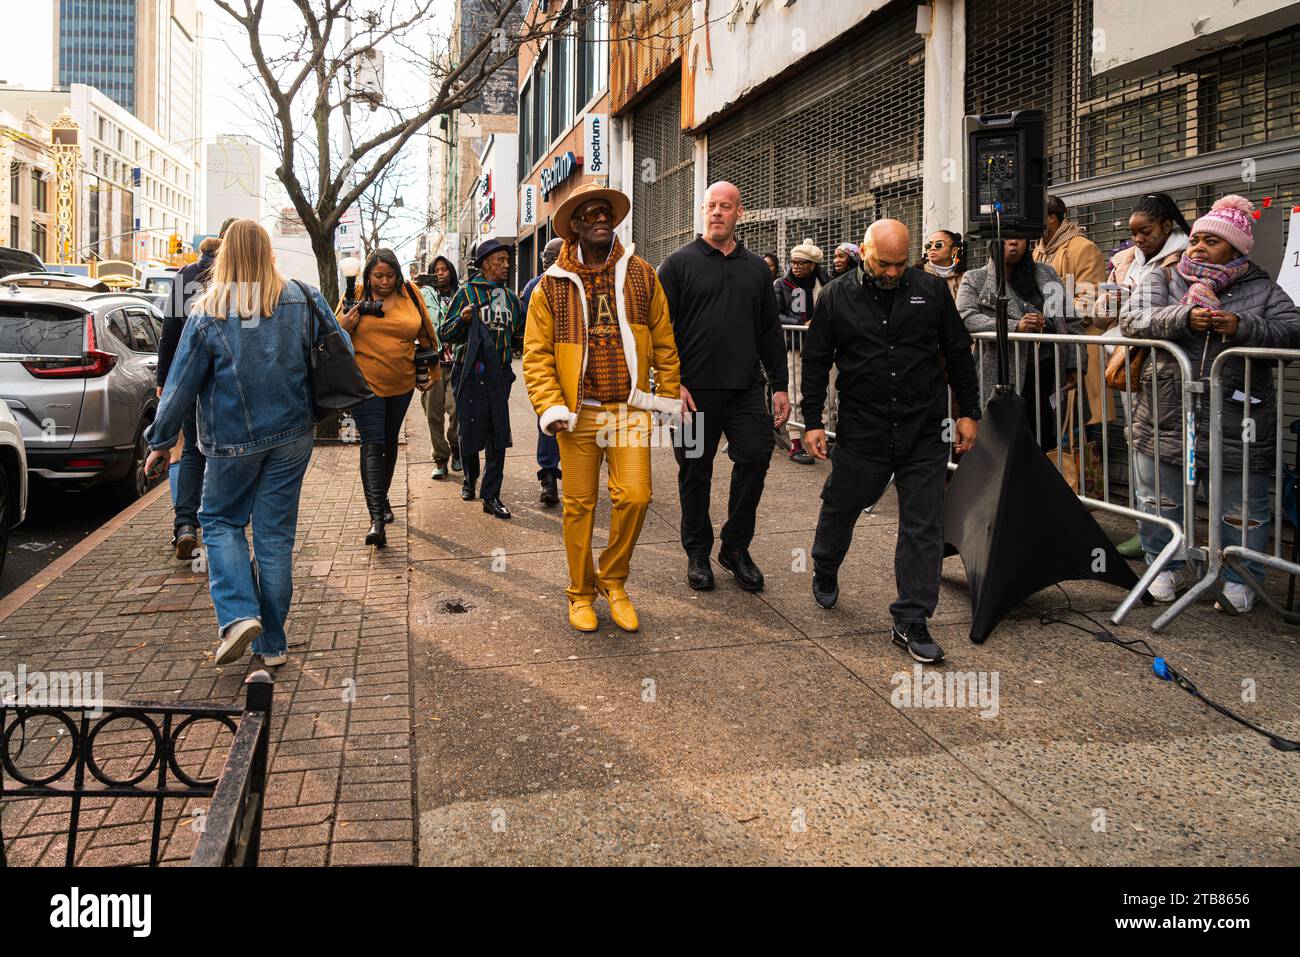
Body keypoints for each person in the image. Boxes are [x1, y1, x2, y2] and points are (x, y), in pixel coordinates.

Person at [143, 219, 347, 668]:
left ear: (226, 256)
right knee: (274, 537)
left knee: (219, 520)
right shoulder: (302, 296)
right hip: (294, 434)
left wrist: (160, 441)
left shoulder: (208, 311)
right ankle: (272, 643)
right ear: (268, 252)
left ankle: (238, 616)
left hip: (232, 441)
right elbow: (339, 345)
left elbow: (179, 386)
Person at [801, 220, 980, 665]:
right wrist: (811, 421)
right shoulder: (836, 296)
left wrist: (968, 413)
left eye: (901, 264)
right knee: (842, 506)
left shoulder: (932, 291)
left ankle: (912, 619)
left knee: (923, 524)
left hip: (924, 430)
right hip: (864, 429)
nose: (893, 272)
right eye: (884, 263)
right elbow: (816, 361)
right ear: (864, 251)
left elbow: (957, 351)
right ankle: (824, 564)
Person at [1120, 194, 1300, 612]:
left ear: (1235, 249)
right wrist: (1182, 318)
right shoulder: (1163, 278)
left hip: (1239, 419)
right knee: (1158, 499)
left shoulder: (1262, 289)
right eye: (1196, 237)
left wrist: (1243, 326)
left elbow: (1293, 331)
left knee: (1242, 509)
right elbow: (1131, 320)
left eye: (1210, 241)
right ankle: (1163, 568)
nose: (1197, 246)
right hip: (1165, 412)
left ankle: (1239, 580)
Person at [523, 183, 682, 633]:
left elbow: (665, 339)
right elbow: (536, 355)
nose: (599, 218)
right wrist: (551, 406)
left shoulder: (641, 274)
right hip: (579, 413)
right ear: (573, 225)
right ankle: (579, 592)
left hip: (629, 409)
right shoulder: (550, 287)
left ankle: (612, 579)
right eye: (589, 213)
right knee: (579, 506)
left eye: (605, 212)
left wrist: (667, 394)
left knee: (636, 497)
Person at [657, 181, 791, 593]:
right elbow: (657, 331)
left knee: (755, 458)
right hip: (692, 396)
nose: (718, 212)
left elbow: (770, 331)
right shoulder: (677, 264)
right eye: (712, 206)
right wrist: (670, 384)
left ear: (739, 213)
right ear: (703, 212)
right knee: (695, 472)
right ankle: (698, 552)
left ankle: (735, 547)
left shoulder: (756, 269)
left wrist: (781, 386)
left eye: (726, 206)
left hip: (745, 391)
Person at [1095, 192, 1191, 559]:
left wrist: (1139, 307)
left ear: (1167, 225)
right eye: (1134, 232)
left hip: (1166, 370)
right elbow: (1101, 314)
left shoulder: (1185, 258)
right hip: (1128, 365)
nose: (1138, 239)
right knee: (1137, 443)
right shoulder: (1125, 259)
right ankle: (1145, 524)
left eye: (1145, 231)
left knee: (1165, 451)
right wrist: (1114, 301)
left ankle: (1170, 536)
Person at [336, 248, 439, 547]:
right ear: (368, 274)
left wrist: (432, 370)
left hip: (401, 382)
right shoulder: (354, 292)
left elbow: (426, 332)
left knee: (390, 441)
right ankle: (376, 520)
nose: (384, 281)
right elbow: (330, 331)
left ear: (398, 274)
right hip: (364, 383)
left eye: (389, 275)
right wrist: (346, 325)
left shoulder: (410, 294)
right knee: (373, 441)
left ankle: (382, 499)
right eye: (378, 276)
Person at [156, 218, 235, 560]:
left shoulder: (185, 275)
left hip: (187, 377)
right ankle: (220, 518)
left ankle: (185, 524)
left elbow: (169, 332)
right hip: (225, 378)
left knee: (190, 452)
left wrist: (164, 380)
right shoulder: (238, 278)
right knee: (223, 449)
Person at [957, 238, 1080, 450]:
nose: (1013, 242)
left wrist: (1075, 364)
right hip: (1002, 376)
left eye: (1019, 237)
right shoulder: (975, 278)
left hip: (1048, 376)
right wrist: (1014, 327)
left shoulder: (1046, 274)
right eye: (1006, 237)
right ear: (994, 242)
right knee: (1003, 447)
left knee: (1043, 441)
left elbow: (1071, 319)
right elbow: (966, 317)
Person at [439, 238, 525, 519]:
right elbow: (444, 334)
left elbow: (521, 337)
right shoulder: (466, 294)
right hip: (468, 371)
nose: (506, 265)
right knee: (469, 429)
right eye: (500, 260)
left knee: (498, 433)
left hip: (499, 373)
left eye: (507, 260)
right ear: (486, 262)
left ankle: (492, 495)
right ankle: (469, 478)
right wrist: (463, 321)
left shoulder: (512, 299)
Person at [1036, 195, 1108, 430]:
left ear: (1051, 219)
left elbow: (1090, 299)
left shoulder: (1083, 248)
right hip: (1049, 352)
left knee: (1081, 425)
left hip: (1079, 348)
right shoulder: (1037, 251)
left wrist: (1050, 318)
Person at [520, 237, 565, 507]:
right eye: (545, 256)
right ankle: (548, 478)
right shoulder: (534, 286)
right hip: (547, 368)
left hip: (576, 368)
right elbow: (526, 331)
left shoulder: (576, 281)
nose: (547, 260)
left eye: (553, 255)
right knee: (547, 424)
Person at [775, 239, 828, 465]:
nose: (795, 266)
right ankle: (796, 442)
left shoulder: (826, 284)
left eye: (801, 263)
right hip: (795, 346)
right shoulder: (781, 284)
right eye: (793, 262)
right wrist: (801, 323)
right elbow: (774, 314)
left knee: (827, 393)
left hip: (825, 347)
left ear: (813, 265)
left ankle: (823, 438)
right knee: (795, 392)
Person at [416, 256, 461, 480]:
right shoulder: (423, 295)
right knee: (433, 414)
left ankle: (456, 446)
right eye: (437, 270)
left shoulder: (461, 294)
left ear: (451, 271)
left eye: (445, 269)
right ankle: (440, 458)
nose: (441, 273)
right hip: (432, 363)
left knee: (457, 411)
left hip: (457, 363)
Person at [922, 229, 964, 300]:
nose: (932, 248)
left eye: (938, 245)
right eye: (929, 245)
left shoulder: (964, 278)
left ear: (954, 250)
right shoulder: (916, 275)